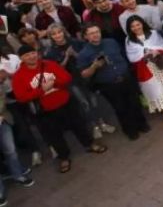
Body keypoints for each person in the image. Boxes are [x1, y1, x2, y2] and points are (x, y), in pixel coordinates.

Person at [12, 45, 108, 174]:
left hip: (66, 103)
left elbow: (66, 78)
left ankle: (89, 144)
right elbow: (21, 96)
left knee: (79, 125)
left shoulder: (48, 64)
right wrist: (42, 90)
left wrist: (55, 83)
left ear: (36, 53)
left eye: (32, 53)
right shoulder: (19, 76)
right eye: (27, 55)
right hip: (45, 111)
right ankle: (64, 157)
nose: (31, 56)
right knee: (54, 135)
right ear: (21, 58)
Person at [77, 24, 150, 140]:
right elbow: (84, 74)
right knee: (120, 108)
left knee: (134, 102)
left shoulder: (111, 42)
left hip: (126, 78)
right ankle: (130, 130)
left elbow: (123, 55)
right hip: (109, 85)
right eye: (91, 33)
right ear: (86, 36)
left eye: (97, 31)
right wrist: (94, 66)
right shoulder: (83, 54)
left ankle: (142, 124)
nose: (95, 35)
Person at [124, 15, 163, 123]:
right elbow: (132, 57)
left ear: (142, 24)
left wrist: (156, 51)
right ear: (129, 28)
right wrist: (144, 54)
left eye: (138, 24)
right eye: (133, 26)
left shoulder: (153, 33)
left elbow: (162, 45)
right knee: (156, 90)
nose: (136, 28)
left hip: (160, 63)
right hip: (146, 68)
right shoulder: (129, 40)